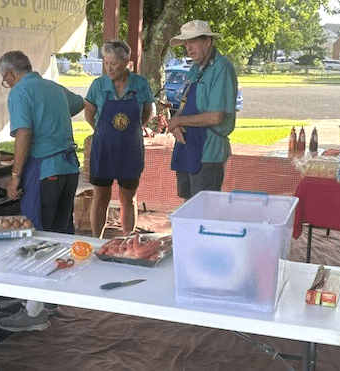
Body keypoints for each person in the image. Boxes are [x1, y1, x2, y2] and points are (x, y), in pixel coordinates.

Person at [0, 51, 84, 333]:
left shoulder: (20, 92)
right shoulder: (53, 87)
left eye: (4, 79)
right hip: (69, 168)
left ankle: (34, 312)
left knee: (40, 235)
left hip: (46, 170)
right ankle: (49, 299)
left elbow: (24, 134)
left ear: (10, 74)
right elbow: (79, 103)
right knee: (59, 232)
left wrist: (14, 176)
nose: (6, 83)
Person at [84, 39, 155, 237]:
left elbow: (147, 113)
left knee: (128, 198)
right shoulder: (98, 85)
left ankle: (127, 240)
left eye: (113, 63)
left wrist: (133, 128)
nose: (109, 67)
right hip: (103, 148)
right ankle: (97, 239)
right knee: (100, 197)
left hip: (130, 150)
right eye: (105, 63)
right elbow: (89, 112)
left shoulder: (140, 84)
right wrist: (100, 130)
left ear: (126, 63)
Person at [167, 20, 238, 200]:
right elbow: (184, 104)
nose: (188, 48)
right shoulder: (195, 68)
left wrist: (177, 121)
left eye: (193, 42)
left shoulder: (222, 68)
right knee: (188, 205)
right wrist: (175, 125)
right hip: (187, 146)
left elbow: (215, 117)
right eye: (186, 44)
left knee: (205, 209)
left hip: (209, 150)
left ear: (208, 41)